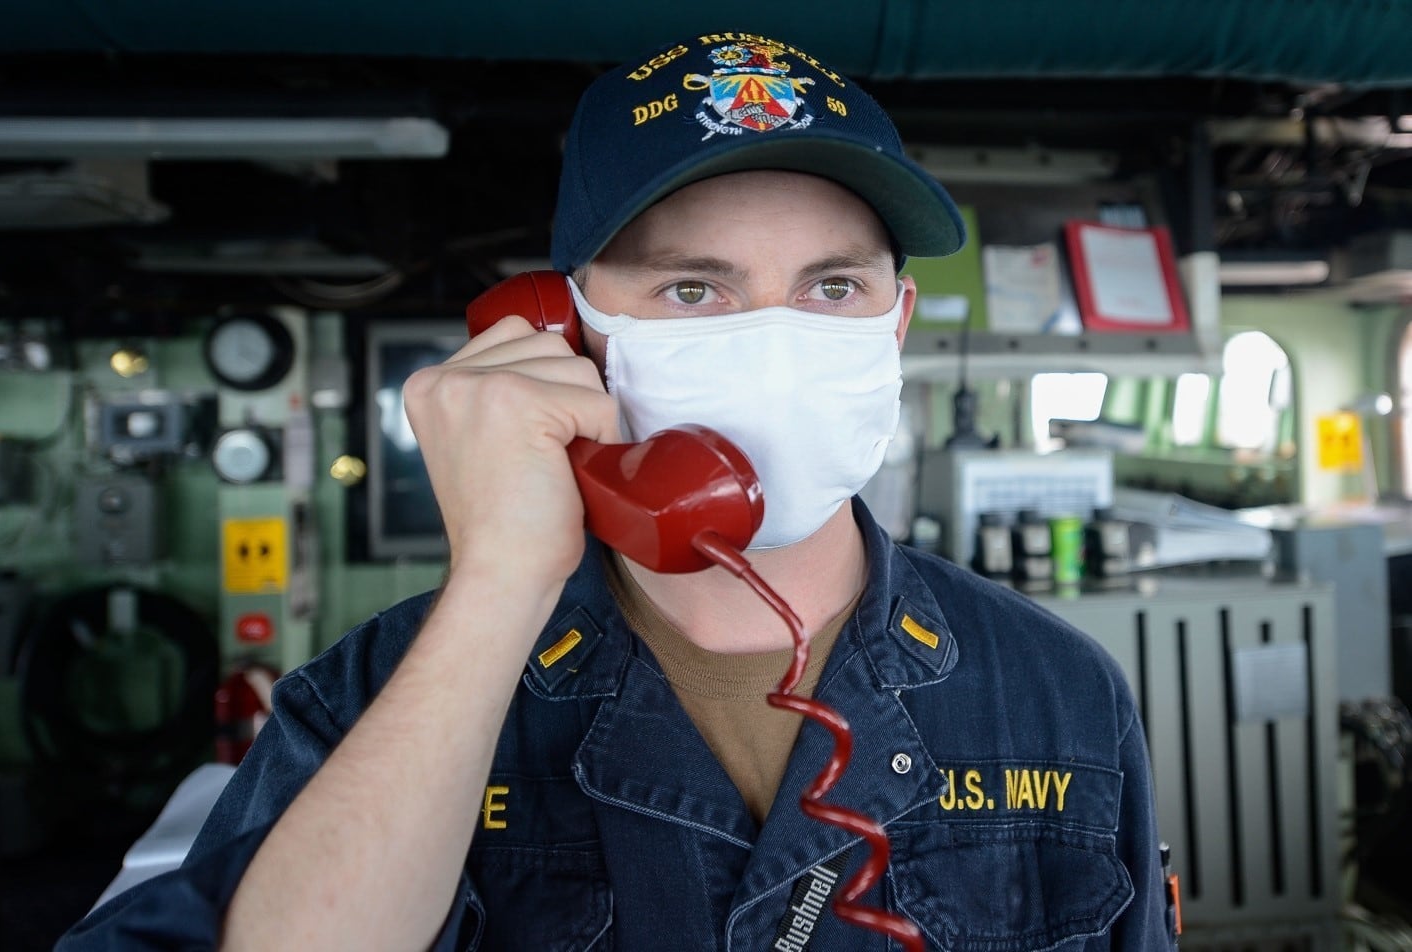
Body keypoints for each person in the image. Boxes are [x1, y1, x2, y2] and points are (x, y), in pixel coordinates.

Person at [61, 30, 1177, 951]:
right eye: (694, 288)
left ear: (894, 320)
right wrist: (501, 580)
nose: (775, 341)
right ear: (563, 331)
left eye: (829, 285)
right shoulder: (371, 694)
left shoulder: (1056, 689)